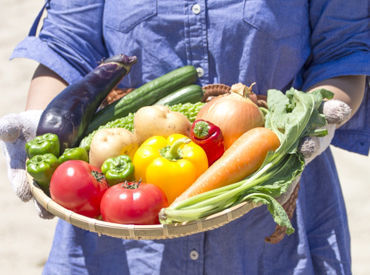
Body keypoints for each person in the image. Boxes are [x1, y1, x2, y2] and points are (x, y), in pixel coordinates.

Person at [0, 1, 369, 274]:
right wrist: (44, 121)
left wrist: (313, 117)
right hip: (118, 215)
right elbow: (65, 47)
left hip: (269, 189)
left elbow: (344, 51)